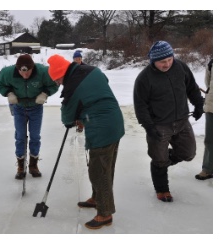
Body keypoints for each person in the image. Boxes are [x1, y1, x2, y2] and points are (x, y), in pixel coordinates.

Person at [47, 54, 125, 230]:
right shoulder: (91, 70)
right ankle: (97, 198)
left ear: (60, 74)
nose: (58, 84)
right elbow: (103, 80)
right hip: (114, 120)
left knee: (98, 171)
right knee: (106, 167)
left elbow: (67, 117)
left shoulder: (72, 86)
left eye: (56, 80)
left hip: (102, 127)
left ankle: (105, 213)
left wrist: (75, 117)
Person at [133, 41, 204, 203]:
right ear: (153, 61)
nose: (167, 64)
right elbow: (140, 105)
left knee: (188, 153)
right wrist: (148, 127)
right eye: (162, 62)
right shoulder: (144, 78)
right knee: (159, 158)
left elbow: (191, 87)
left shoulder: (180, 67)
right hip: (159, 125)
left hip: (181, 121)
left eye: (169, 60)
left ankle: (162, 162)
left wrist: (198, 104)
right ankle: (162, 189)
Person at [0, 54, 59, 179]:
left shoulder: (43, 72)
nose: (25, 75)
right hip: (18, 107)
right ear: (17, 68)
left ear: (32, 67)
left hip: (36, 107)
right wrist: (9, 93)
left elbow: (54, 84)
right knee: (20, 137)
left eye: (28, 72)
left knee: (35, 136)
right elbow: (0, 84)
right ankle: (21, 165)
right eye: (21, 72)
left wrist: (45, 94)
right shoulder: (7, 73)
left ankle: (33, 165)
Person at [195, 58, 213, 180]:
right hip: (212, 107)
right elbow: (208, 83)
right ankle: (208, 169)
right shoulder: (212, 63)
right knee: (210, 140)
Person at [72, 50, 85, 132]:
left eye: (79, 59)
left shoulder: (85, 67)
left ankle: (81, 125)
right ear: (73, 59)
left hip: (83, 91)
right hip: (73, 91)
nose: (78, 60)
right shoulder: (71, 68)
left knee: (81, 108)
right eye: (76, 59)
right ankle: (74, 121)